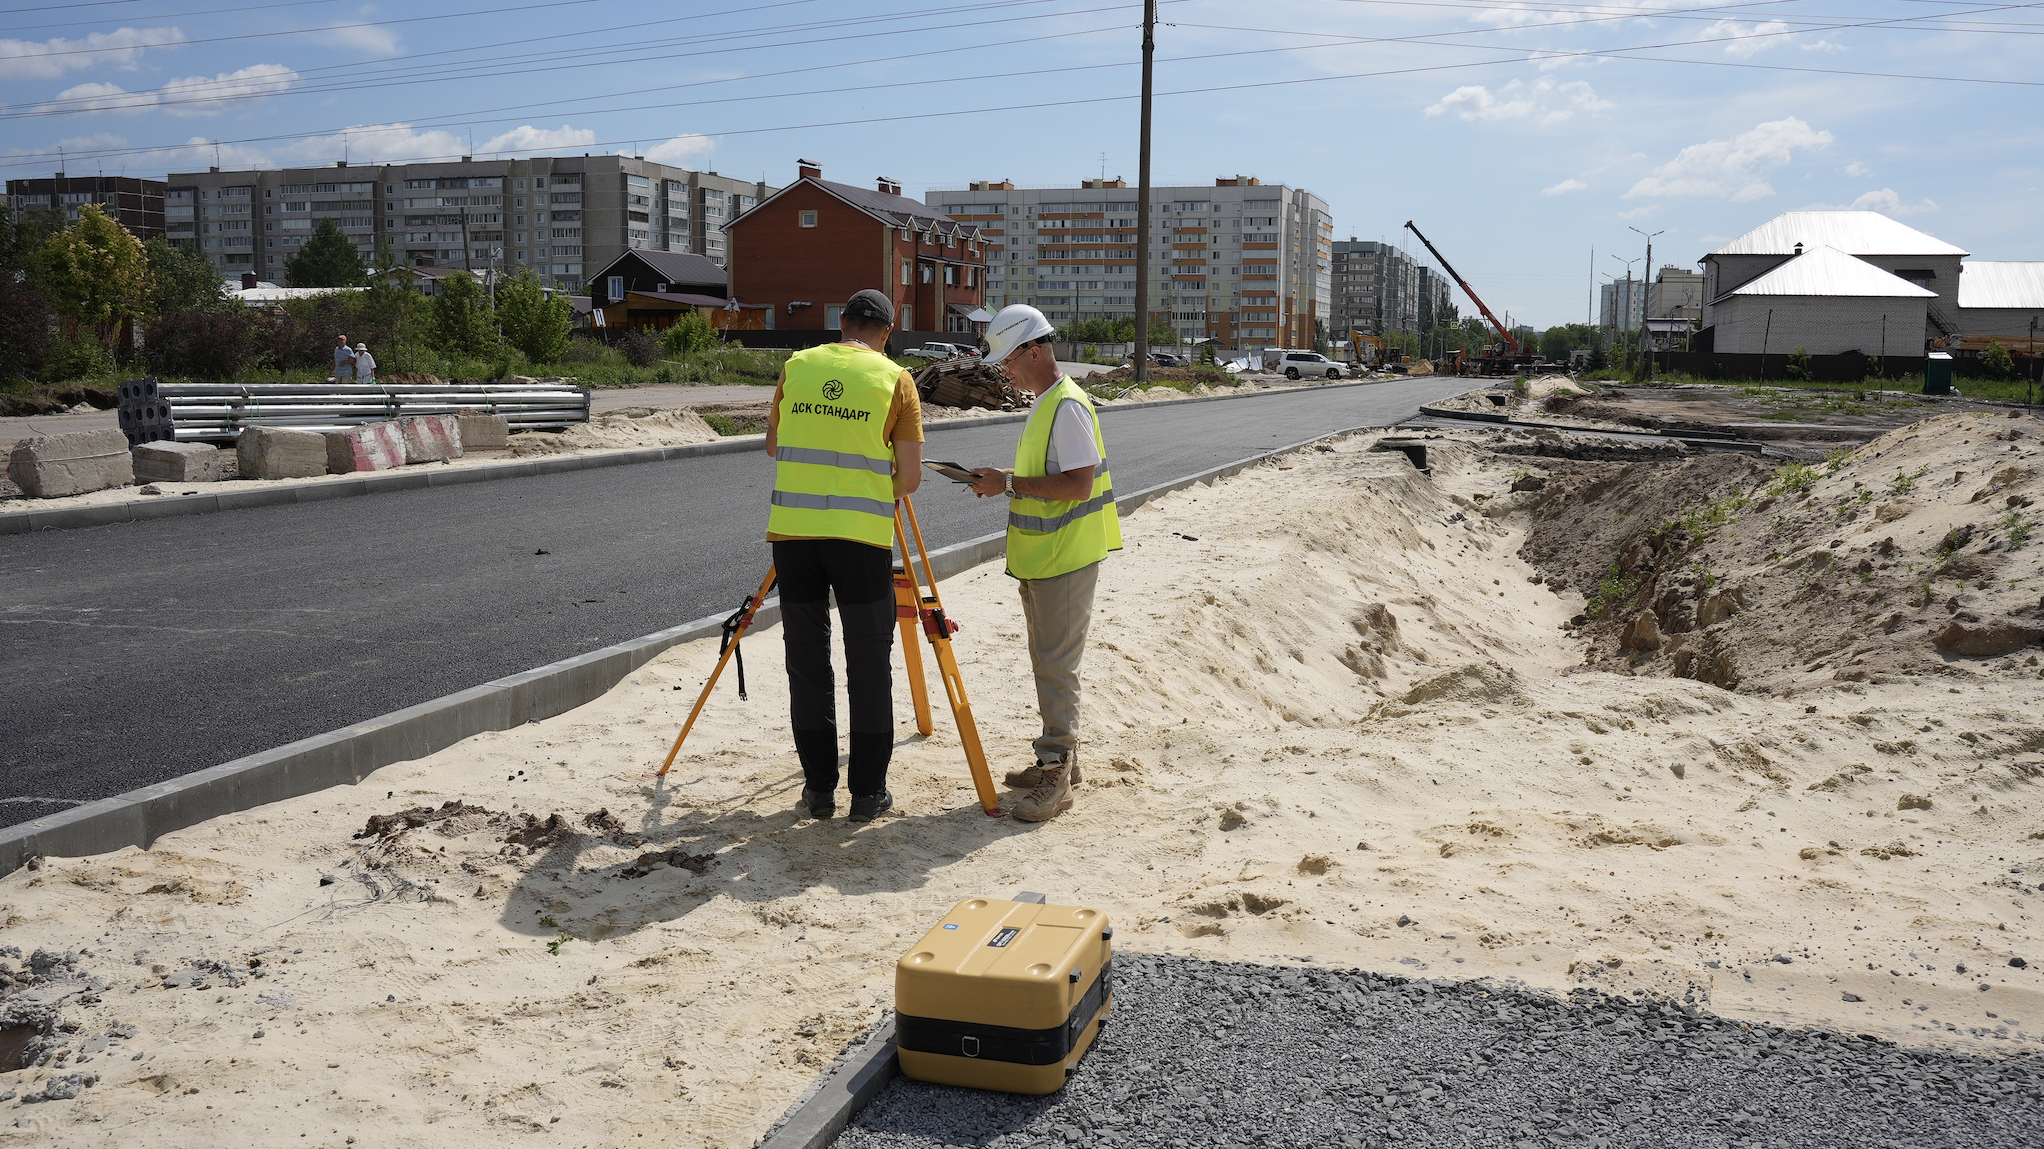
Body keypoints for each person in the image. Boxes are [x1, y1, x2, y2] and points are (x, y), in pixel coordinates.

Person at [765, 289, 923, 822]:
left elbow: (774, 445)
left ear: (842, 323)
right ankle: (867, 794)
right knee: (868, 663)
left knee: (807, 663)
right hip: (861, 540)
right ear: (889, 328)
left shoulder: (797, 366)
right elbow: (911, 478)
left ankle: (817, 792)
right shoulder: (896, 379)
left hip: (793, 537)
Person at [967, 305, 1121, 823]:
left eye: (1007, 360)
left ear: (1034, 350)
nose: (1003, 370)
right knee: (1048, 663)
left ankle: (1057, 772)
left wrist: (1008, 483)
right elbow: (1052, 472)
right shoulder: (1047, 403)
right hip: (1046, 559)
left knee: (1057, 668)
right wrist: (1006, 476)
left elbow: (1078, 485)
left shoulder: (1068, 406)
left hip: (1066, 559)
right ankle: (1059, 761)